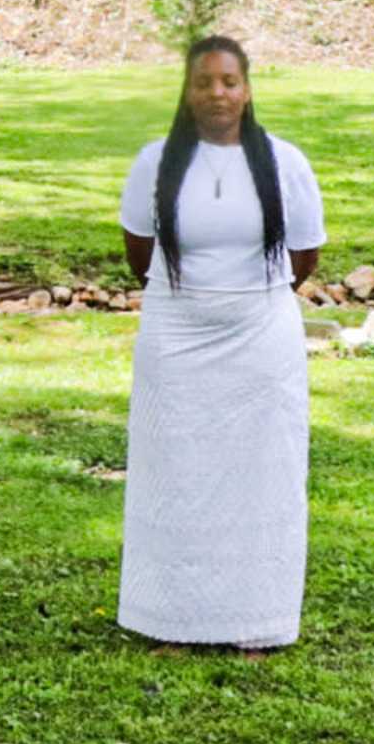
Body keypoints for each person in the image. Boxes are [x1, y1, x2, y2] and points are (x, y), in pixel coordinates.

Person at [114, 37, 325, 649]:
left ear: (248, 89)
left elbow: (303, 257)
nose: (217, 94)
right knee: (175, 472)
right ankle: (169, 619)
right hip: (176, 338)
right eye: (204, 82)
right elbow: (140, 253)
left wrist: (240, 300)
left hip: (259, 338)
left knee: (262, 474)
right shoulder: (155, 163)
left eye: (229, 82)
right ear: (186, 91)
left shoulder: (285, 163)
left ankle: (256, 623)